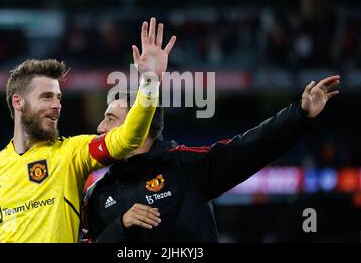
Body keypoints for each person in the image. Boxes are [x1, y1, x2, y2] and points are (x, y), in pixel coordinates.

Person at [0, 17, 177, 243]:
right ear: (18, 102)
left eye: (59, 98)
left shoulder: (72, 153)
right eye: (47, 97)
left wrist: (149, 82)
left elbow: (129, 137)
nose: (57, 105)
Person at [80, 75, 340, 243]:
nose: (100, 128)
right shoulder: (96, 194)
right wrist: (120, 225)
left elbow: (250, 148)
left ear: (139, 124)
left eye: (111, 119)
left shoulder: (186, 167)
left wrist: (300, 115)